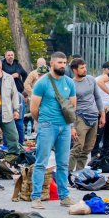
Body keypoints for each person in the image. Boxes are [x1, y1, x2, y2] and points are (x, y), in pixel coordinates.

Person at [30, 52, 76, 209]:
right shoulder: (42, 82)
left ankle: (64, 196)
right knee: (41, 163)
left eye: (64, 62)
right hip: (47, 126)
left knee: (63, 163)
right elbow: (34, 108)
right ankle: (36, 197)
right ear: (52, 64)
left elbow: (72, 106)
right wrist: (44, 121)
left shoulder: (69, 82)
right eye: (60, 62)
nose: (63, 65)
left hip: (65, 127)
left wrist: (70, 126)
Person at [69, 58, 105, 172]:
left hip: (94, 117)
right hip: (80, 117)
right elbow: (70, 106)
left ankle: (79, 173)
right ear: (74, 70)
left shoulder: (91, 79)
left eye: (85, 67)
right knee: (77, 147)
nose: (85, 69)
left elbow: (97, 97)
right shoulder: (71, 84)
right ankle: (67, 174)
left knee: (87, 148)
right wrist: (72, 126)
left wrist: (102, 114)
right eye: (82, 68)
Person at [0, 58, 22, 155]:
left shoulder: (9, 78)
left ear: (0, 67)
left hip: (7, 114)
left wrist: (16, 110)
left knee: (13, 138)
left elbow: (14, 95)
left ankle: (14, 157)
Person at [1, 50, 28, 144]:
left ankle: (20, 143)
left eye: (12, 55)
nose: (10, 56)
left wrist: (22, 82)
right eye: (8, 55)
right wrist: (10, 77)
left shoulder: (17, 64)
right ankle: (6, 144)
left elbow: (25, 74)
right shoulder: (2, 65)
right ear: (5, 56)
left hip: (18, 92)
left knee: (19, 121)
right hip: (6, 94)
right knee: (7, 120)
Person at [94, 62, 109, 155]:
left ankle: (105, 153)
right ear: (104, 69)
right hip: (101, 109)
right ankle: (95, 154)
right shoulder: (97, 80)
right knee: (98, 133)